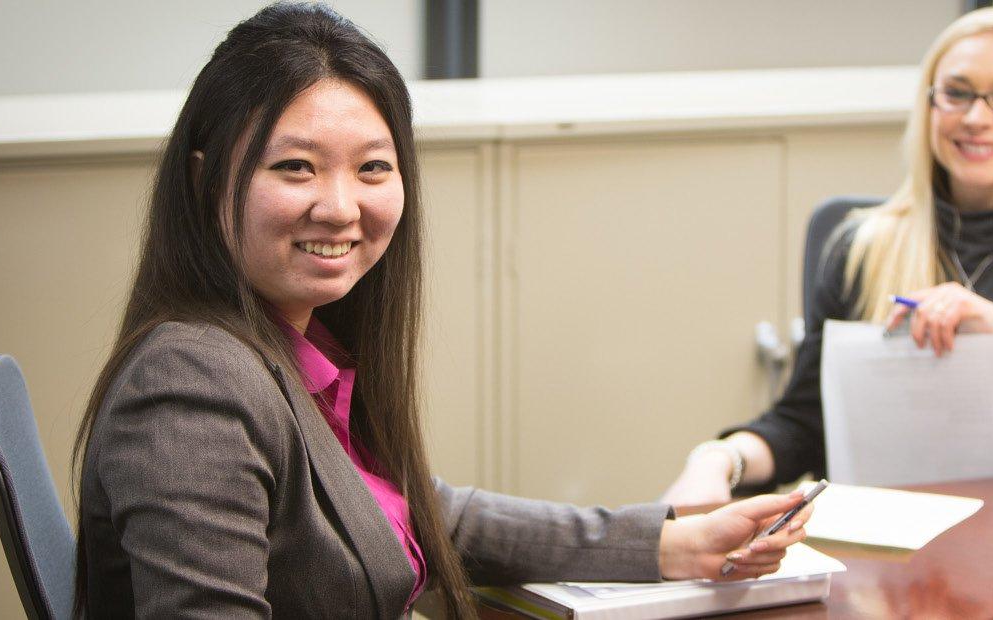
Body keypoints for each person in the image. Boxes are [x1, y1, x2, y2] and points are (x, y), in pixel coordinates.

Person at [72, 4, 810, 618]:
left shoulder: (302, 346)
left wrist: (672, 543)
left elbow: (415, 515)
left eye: (373, 168)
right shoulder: (192, 386)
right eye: (294, 166)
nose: (339, 207)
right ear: (205, 182)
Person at [663, 7, 993, 506]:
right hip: (889, 561)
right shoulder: (861, 248)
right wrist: (718, 457)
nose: (978, 117)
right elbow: (804, 422)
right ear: (930, 107)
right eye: (956, 93)